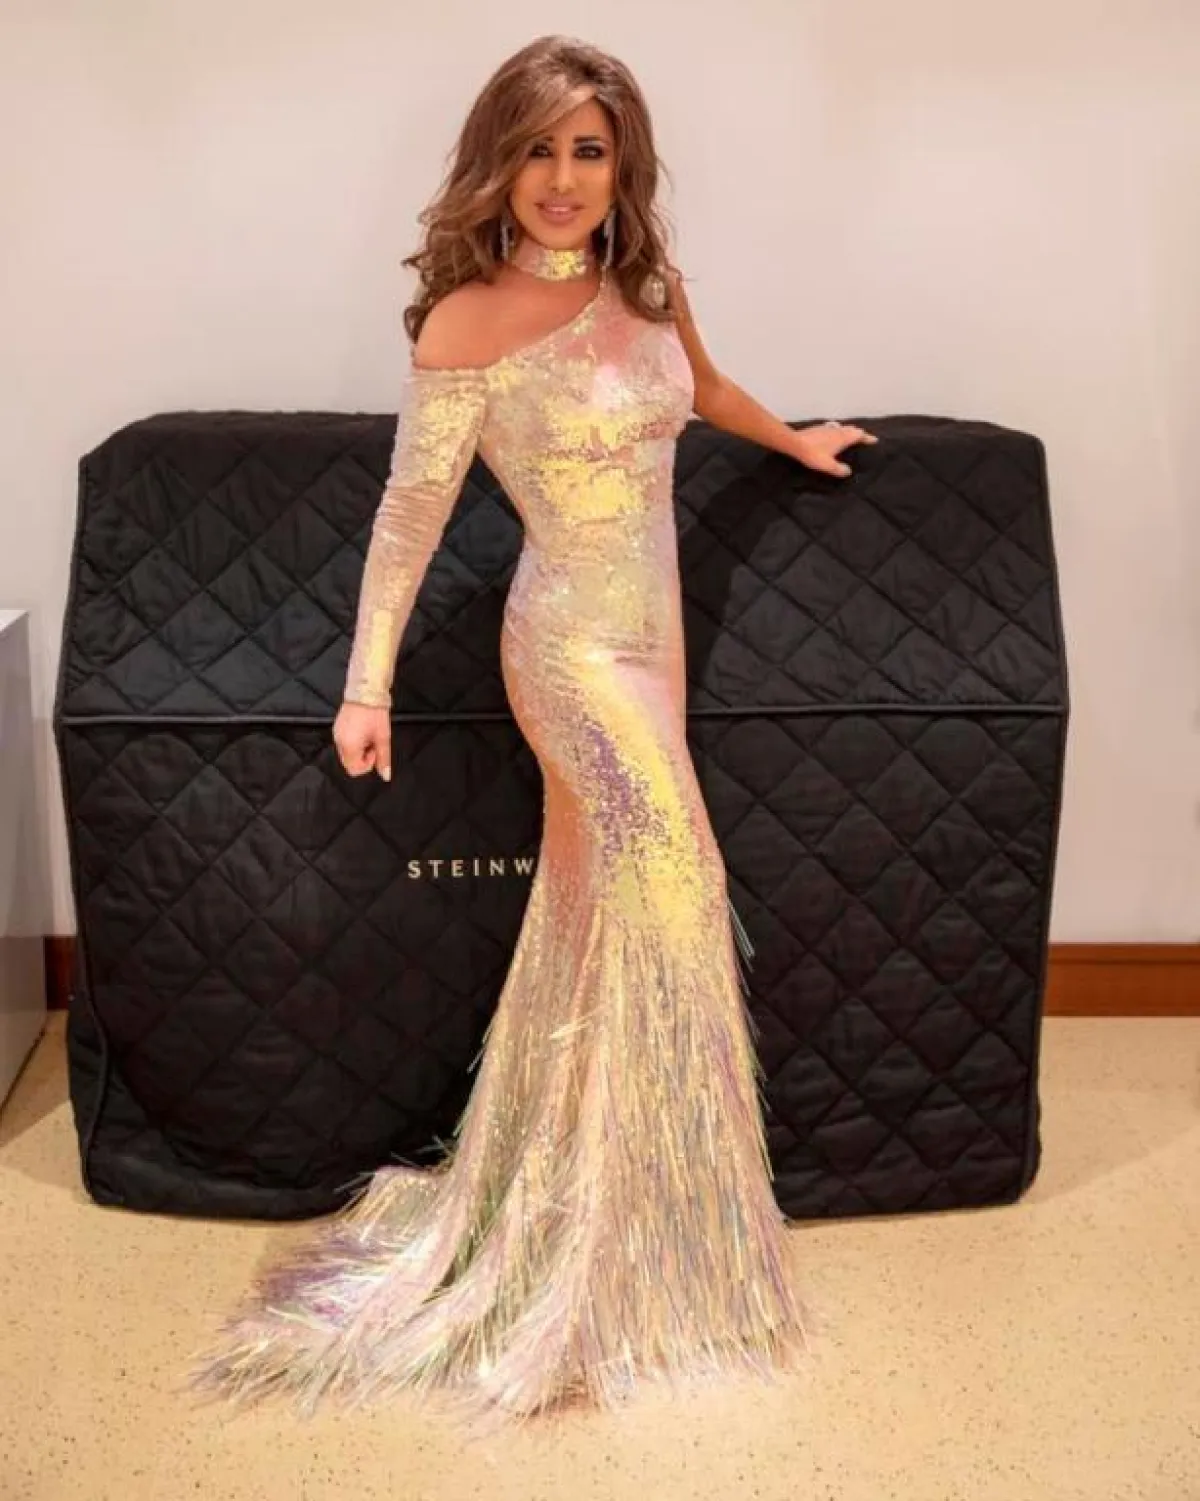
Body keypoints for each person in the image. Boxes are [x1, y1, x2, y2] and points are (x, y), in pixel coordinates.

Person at [184, 33, 876, 1434]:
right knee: (679, 889)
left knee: (593, 919)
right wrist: (366, 685)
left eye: (589, 150)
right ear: (496, 163)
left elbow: (705, 390)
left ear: (623, 165)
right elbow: (409, 517)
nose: (563, 179)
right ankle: (601, 1260)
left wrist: (794, 440)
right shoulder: (467, 323)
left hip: (657, 648)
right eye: (539, 149)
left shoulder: (649, 285)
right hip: (566, 653)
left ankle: (597, 1211)